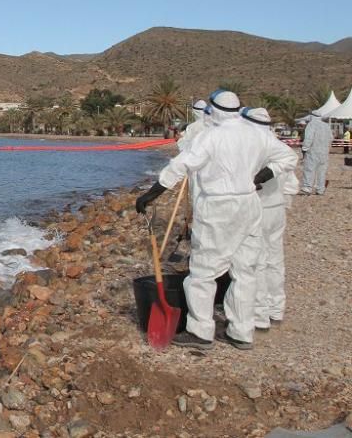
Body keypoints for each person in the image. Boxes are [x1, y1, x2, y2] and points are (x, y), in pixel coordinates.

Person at [135, 90, 298, 350]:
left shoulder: (211, 136)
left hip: (218, 207)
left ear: (216, 109)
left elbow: (181, 166)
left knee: (202, 272)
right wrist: (263, 176)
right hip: (249, 205)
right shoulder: (256, 134)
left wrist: (150, 195)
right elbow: (289, 157)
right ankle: (241, 332)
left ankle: (200, 331)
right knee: (245, 271)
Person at [242, 107, 299, 331]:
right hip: (278, 208)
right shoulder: (277, 143)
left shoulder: (256, 145)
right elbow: (291, 181)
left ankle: (260, 314)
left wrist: (260, 177)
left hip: (260, 207)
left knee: (258, 259)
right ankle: (277, 308)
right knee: (276, 258)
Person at [300, 111, 333, 195]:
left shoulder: (311, 124)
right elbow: (331, 138)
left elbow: (308, 138)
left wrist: (304, 148)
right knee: (321, 171)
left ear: (312, 116)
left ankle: (307, 187)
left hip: (313, 151)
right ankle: (320, 189)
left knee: (309, 169)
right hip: (324, 152)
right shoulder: (326, 126)